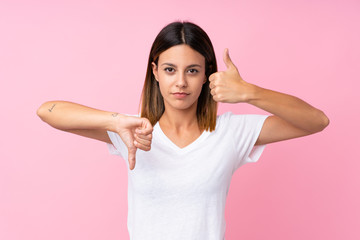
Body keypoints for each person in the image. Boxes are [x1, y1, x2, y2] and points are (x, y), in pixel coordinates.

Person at [37, 21, 329, 240]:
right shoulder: (132, 129)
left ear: (206, 75)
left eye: (192, 70)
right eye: (169, 69)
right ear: (155, 71)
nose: (180, 82)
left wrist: (250, 93)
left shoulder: (231, 132)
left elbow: (316, 120)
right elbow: (48, 111)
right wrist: (114, 121)